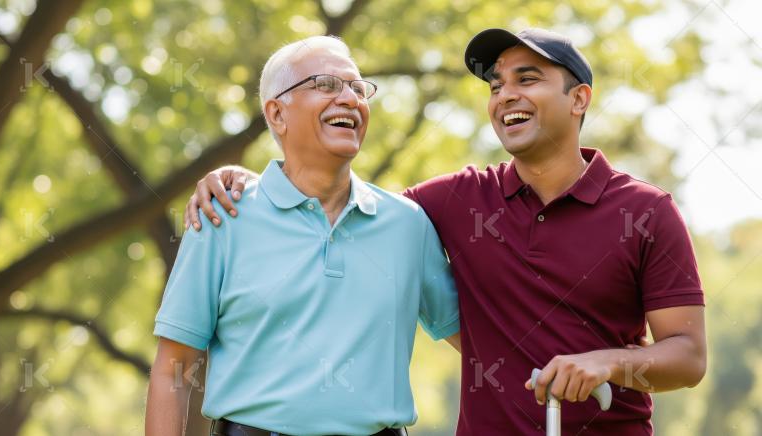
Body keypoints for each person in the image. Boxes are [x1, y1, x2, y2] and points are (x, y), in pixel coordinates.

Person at [185, 28, 707, 435]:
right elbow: (343, 204)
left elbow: (687, 356)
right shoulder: (454, 201)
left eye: (527, 79)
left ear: (579, 99)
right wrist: (252, 182)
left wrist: (608, 364)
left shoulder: (646, 211)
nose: (505, 95)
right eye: (496, 84)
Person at [145, 36, 462, 436]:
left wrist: (566, 359)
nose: (349, 98)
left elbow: (480, 342)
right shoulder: (222, 216)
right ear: (277, 114)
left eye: (357, 88)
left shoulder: (408, 225)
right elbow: (173, 369)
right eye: (327, 85)